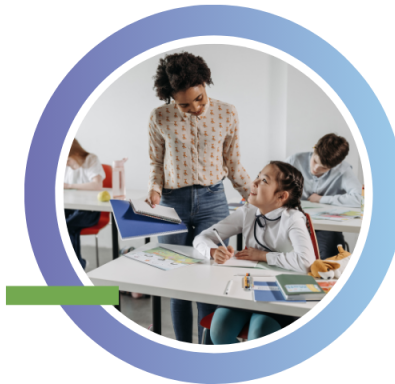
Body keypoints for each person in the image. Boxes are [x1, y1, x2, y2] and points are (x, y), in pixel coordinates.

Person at [145, 51, 251, 345]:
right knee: (177, 282)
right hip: (171, 203)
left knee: (209, 279)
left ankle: (207, 348)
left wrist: (254, 197)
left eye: (200, 99)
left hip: (213, 200)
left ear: (206, 84)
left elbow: (233, 163)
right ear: (171, 98)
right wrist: (154, 188)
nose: (195, 108)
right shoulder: (159, 117)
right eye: (184, 104)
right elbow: (156, 162)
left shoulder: (227, 113)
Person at [193, 161, 316, 345]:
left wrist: (263, 256)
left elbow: (306, 261)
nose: (255, 182)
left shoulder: (293, 219)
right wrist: (212, 251)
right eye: (258, 176)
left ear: (281, 196)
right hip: (245, 288)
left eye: (264, 180)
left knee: (259, 333)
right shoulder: (248, 212)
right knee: (219, 331)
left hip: (279, 294)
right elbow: (201, 237)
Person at [286, 133, 362, 260]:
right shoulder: (294, 160)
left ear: (335, 165)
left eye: (323, 168)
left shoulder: (343, 170)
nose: (315, 169)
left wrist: (321, 199)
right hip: (293, 222)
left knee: (326, 256)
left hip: (324, 227)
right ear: (314, 148)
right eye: (315, 161)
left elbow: (360, 199)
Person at [63, 138, 105, 271]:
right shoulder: (67, 167)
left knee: (67, 226)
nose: (66, 163)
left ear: (75, 153)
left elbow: (97, 185)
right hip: (71, 208)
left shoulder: (91, 159)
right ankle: (77, 264)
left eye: (68, 160)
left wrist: (68, 186)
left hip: (90, 211)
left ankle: (77, 265)